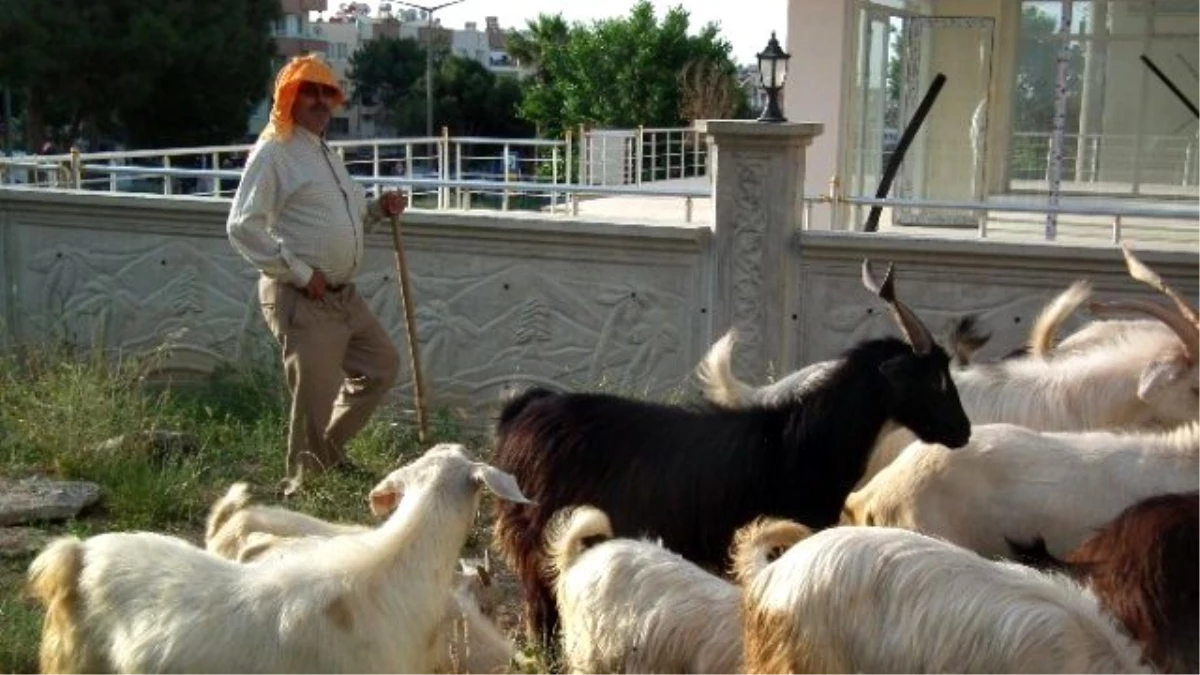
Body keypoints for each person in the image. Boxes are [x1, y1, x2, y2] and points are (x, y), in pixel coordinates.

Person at [227, 53, 405, 496]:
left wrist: (377, 211)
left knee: (381, 366)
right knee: (315, 396)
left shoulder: (325, 153)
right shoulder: (275, 153)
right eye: (310, 91)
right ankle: (303, 488)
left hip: (343, 296)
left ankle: (324, 456)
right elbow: (241, 225)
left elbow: (341, 223)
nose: (321, 100)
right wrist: (303, 275)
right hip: (303, 295)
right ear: (289, 96)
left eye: (328, 92)